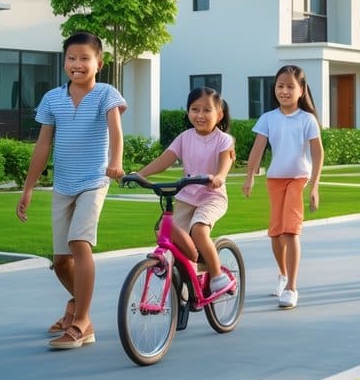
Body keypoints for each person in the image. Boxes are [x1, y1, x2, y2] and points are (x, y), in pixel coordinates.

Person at [16, 31, 126, 349]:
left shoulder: (106, 94)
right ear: (64, 62)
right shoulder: (53, 99)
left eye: (84, 58)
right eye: (71, 58)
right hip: (63, 184)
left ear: (99, 64)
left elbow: (115, 131)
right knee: (61, 261)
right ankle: (76, 304)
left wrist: (115, 161)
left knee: (79, 242)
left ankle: (81, 323)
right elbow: (42, 146)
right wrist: (28, 188)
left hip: (94, 181)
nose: (77, 64)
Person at [133, 87, 236, 297]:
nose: (200, 115)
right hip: (186, 197)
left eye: (207, 110)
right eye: (195, 109)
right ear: (188, 112)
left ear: (219, 114)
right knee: (164, 231)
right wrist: (140, 174)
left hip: (212, 197)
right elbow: (165, 159)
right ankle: (190, 266)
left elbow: (225, 161)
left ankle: (217, 276)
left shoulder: (223, 140)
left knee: (199, 230)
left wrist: (219, 176)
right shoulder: (185, 137)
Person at [243, 65, 323, 310]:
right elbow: (257, 149)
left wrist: (315, 186)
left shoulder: (307, 119)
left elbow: (318, 153)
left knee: (290, 231)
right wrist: (250, 176)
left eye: (290, 86)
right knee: (276, 233)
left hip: (299, 178)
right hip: (275, 179)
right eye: (280, 86)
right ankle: (282, 274)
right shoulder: (268, 118)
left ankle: (291, 287)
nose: (284, 91)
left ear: (301, 90)